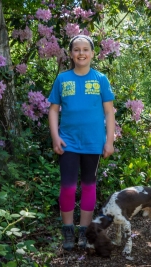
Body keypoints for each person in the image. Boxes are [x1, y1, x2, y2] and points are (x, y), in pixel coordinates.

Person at [48, 35, 115, 250]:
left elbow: (109, 112)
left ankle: (85, 231)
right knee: (67, 187)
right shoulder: (62, 79)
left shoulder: (100, 79)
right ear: (70, 54)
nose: (81, 53)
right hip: (68, 143)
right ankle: (68, 231)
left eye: (85, 49)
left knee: (89, 186)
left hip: (93, 143)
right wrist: (55, 137)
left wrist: (109, 141)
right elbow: (53, 110)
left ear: (93, 54)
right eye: (76, 49)